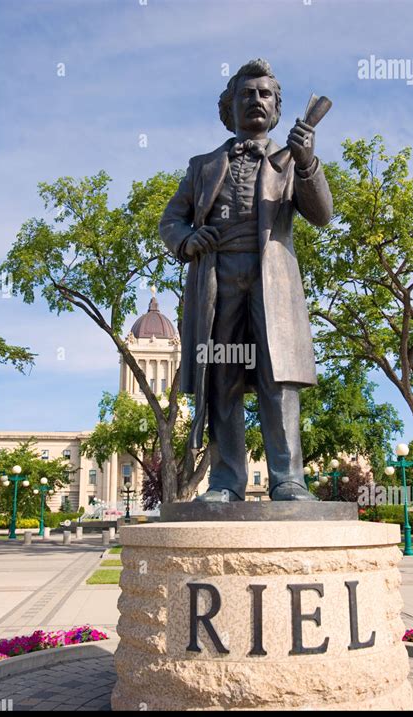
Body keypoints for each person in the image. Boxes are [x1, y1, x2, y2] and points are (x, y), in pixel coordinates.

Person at [159, 59, 332, 502]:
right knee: (222, 378)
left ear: (276, 110)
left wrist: (308, 162)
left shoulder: (291, 161)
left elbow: (321, 215)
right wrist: (190, 241)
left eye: (265, 94)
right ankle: (226, 481)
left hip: (270, 280)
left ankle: (288, 478)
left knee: (279, 378)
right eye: (247, 94)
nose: (256, 100)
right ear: (229, 108)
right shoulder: (202, 166)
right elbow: (170, 221)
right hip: (217, 282)